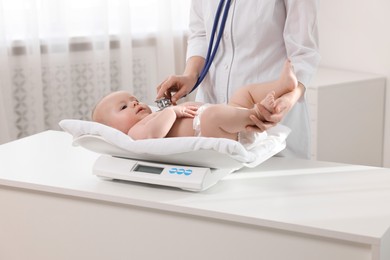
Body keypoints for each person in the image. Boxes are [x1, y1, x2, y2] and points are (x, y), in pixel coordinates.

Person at [156, 0, 321, 158]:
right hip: (213, 113)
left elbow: (304, 54)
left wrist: (289, 99)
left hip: (271, 115)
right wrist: (190, 75)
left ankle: (281, 87)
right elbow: (201, 34)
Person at [92, 60, 296, 145]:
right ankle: (256, 114)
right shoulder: (135, 132)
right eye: (124, 107)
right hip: (210, 128)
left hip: (225, 118)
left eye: (134, 100)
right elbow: (153, 134)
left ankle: (281, 86)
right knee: (212, 115)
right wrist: (172, 112)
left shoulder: (153, 115)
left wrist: (169, 108)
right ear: (115, 130)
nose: (135, 103)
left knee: (244, 92)